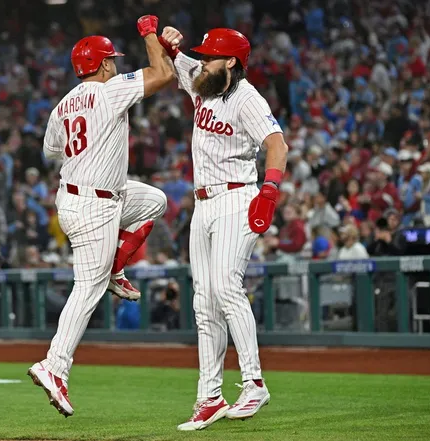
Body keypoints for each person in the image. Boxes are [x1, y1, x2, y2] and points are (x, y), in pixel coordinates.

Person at [26, 16, 175, 418]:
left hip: (86, 196)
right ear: (105, 64)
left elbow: (54, 149)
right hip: (95, 206)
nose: (114, 64)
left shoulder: (62, 105)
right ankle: (55, 366)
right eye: (111, 59)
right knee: (86, 290)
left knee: (154, 201)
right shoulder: (110, 90)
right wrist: (149, 33)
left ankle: (115, 268)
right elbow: (163, 73)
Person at [159, 27, 288, 430]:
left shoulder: (247, 97)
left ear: (231, 62)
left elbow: (277, 144)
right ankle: (209, 396)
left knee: (226, 286)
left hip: (237, 197)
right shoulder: (202, 80)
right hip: (203, 203)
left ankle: (254, 383)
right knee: (203, 302)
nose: (204, 61)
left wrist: (269, 192)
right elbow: (171, 56)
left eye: (212, 56)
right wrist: (164, 40)